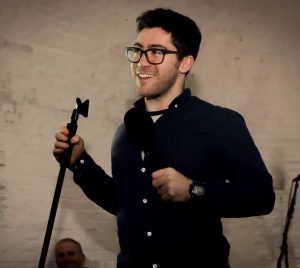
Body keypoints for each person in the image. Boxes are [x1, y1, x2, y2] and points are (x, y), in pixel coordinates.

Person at [53, 8, 275, 268]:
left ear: (185, 63)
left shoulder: (220, 122)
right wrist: (80, 163)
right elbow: (124, 204)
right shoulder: (125, 131)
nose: (142, 62)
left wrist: (193, 190)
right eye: (138, 51)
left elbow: (261, 197)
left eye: (157, 52)